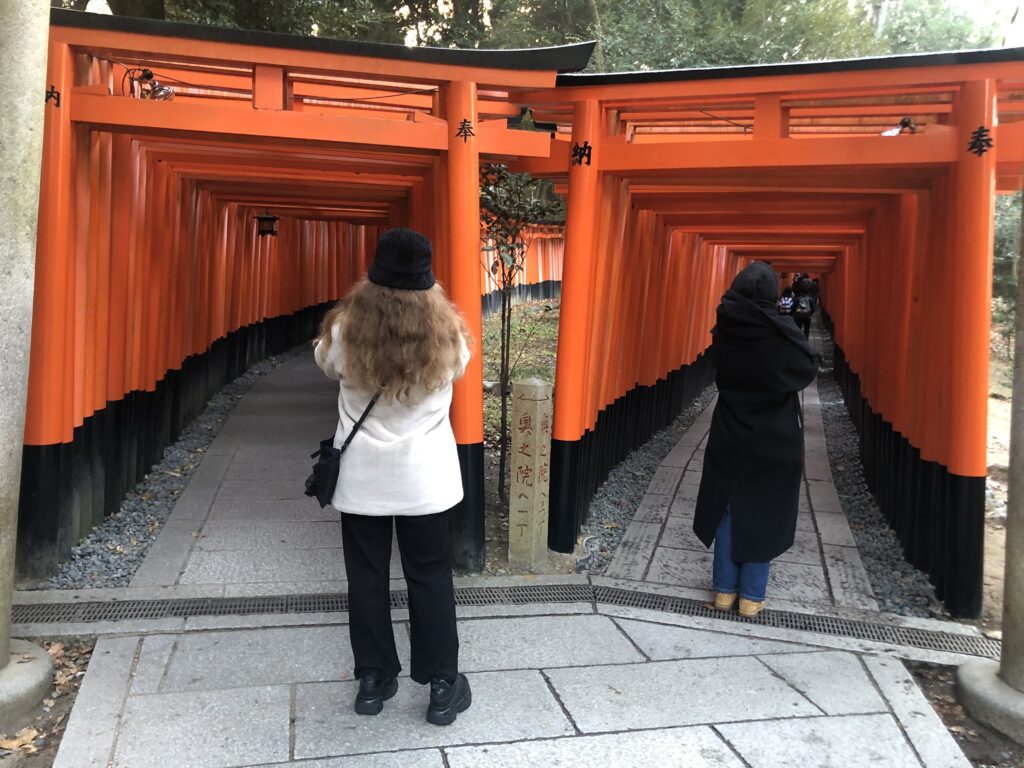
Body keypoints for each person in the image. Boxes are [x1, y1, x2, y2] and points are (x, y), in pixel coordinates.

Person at [314, 227, 473, 725]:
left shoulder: (345, 332)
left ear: (373, 276)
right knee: (431, 578)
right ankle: (443, 686)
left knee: (366, 579)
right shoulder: (448, 335)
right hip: (426, 481)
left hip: (363, 480)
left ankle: (373, 679)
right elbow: (461, 368)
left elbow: (325, 363)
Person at [693, 262, 819, 617]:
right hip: (774, 436)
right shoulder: (779, 332)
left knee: (728, 507)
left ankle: (723, 592)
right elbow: (806, 367)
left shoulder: (724, 329)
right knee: (765, 509)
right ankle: (750, 597)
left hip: (730, 430)